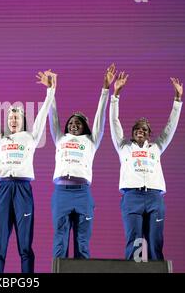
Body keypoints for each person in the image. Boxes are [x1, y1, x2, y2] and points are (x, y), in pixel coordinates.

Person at [0, 71, 56, 273]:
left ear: (23, 121)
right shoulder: (1, 138)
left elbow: (42, 115)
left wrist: (50, 90)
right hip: (4, 188)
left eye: (17, 117)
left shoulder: (30, 137)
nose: (13, 120)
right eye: (10, 117)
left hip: (23, 189)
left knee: (25, 246)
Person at [110, 74, 183, 261]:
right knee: (134, 242)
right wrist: (115, 95)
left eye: (144, 129)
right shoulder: (124, 147)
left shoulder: (156, 147)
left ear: (150, 134)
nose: (140, 131)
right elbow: (114, 122)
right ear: (132, 133)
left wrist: (177, 100)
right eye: (136, 129)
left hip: (154, 197)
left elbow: (169, 127)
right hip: (132, 196)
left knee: (154, 242)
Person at [47, 65, 115, 259]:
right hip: (61, 193)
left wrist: (105, 89)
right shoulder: (60, 138)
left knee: (82, 242)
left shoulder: (91, 141)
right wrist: (51, 90)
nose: (73, 124)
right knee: (60, 241)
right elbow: (53, 114)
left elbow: (100, 118)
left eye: (78, 123)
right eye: (70, 123)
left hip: (82, 193)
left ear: (85, 126)